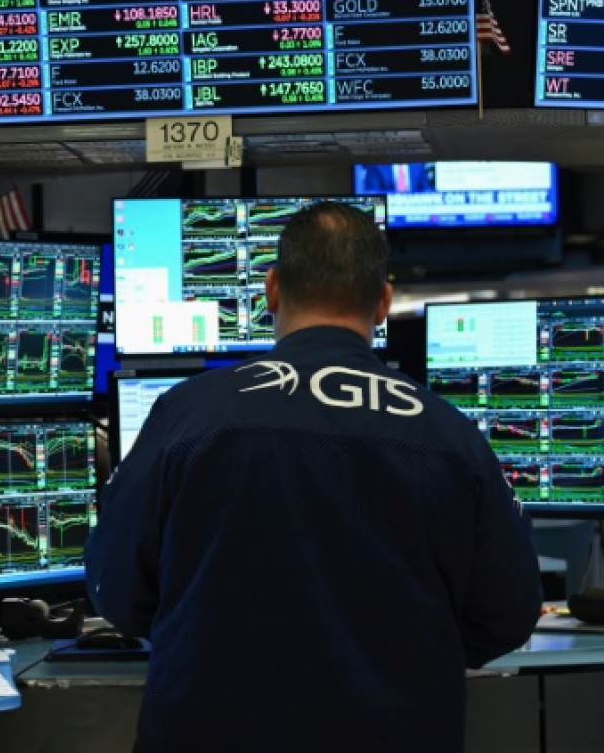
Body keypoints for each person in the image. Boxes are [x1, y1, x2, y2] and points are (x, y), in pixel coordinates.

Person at [85, 200, 542, 753]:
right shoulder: (450, 435)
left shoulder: (188, 414)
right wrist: (406, 660)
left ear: (272, 290)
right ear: (383, 303)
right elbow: (509, 614)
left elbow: (116, 586)